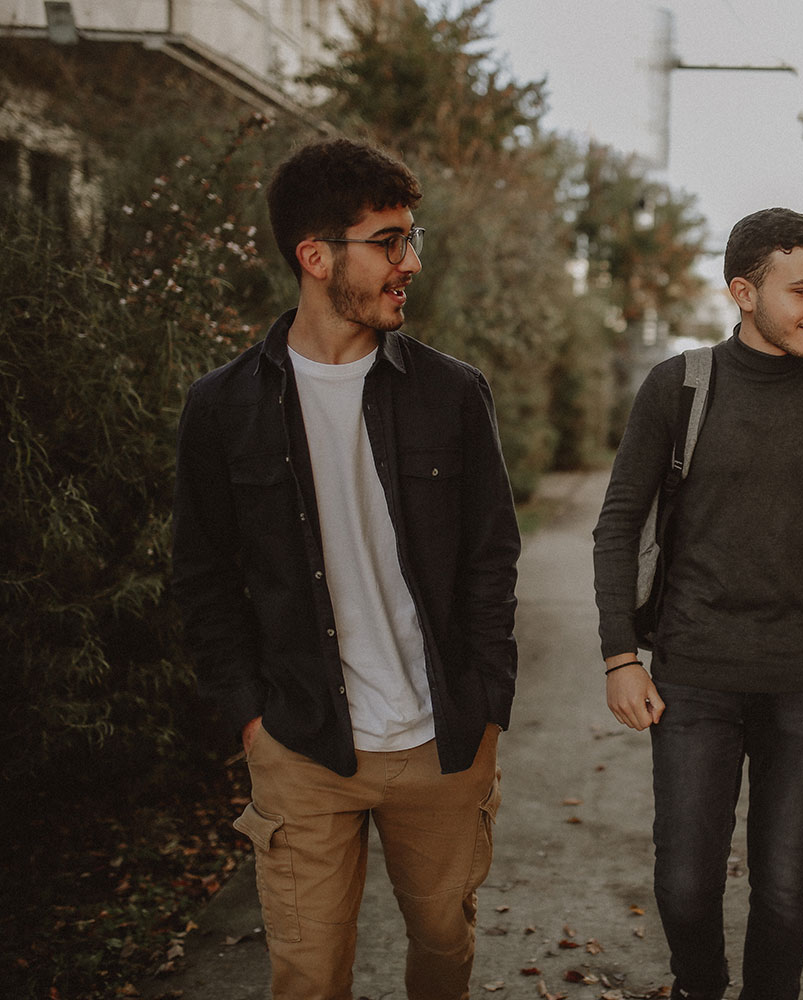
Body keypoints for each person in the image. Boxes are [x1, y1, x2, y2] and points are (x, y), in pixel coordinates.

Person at [172, 137, 521, 1000]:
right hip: (301, 743)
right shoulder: (222, 408)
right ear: (316, 255)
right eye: (389, 241)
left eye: (412, 239)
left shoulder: (452, 392)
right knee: (306, 976)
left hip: (440, 742)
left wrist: (485, 703)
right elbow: (202, 577)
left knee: (443, 952)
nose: (410, 263)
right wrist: (251, 719)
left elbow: (491, 554)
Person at [592, 207, 803, 1000]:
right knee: (686, 885)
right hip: (695, 672)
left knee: (784, 888)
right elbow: (617, 525)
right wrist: (620, 654)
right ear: (743, 291)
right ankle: (701, 988)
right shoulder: (680, 386)